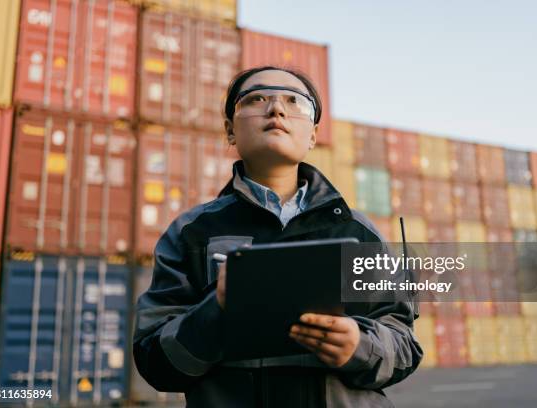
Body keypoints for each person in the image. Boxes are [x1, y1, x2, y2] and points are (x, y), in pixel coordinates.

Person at [133, 65, 423, 407]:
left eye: (294, 101)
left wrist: (358, 345)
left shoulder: (359, 232)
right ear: (230, 130)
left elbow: (404, 345)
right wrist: (217, 310)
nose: (277, 109)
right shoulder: (190, 233)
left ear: (313, 135)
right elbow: (156, 363)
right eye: (256, 98)